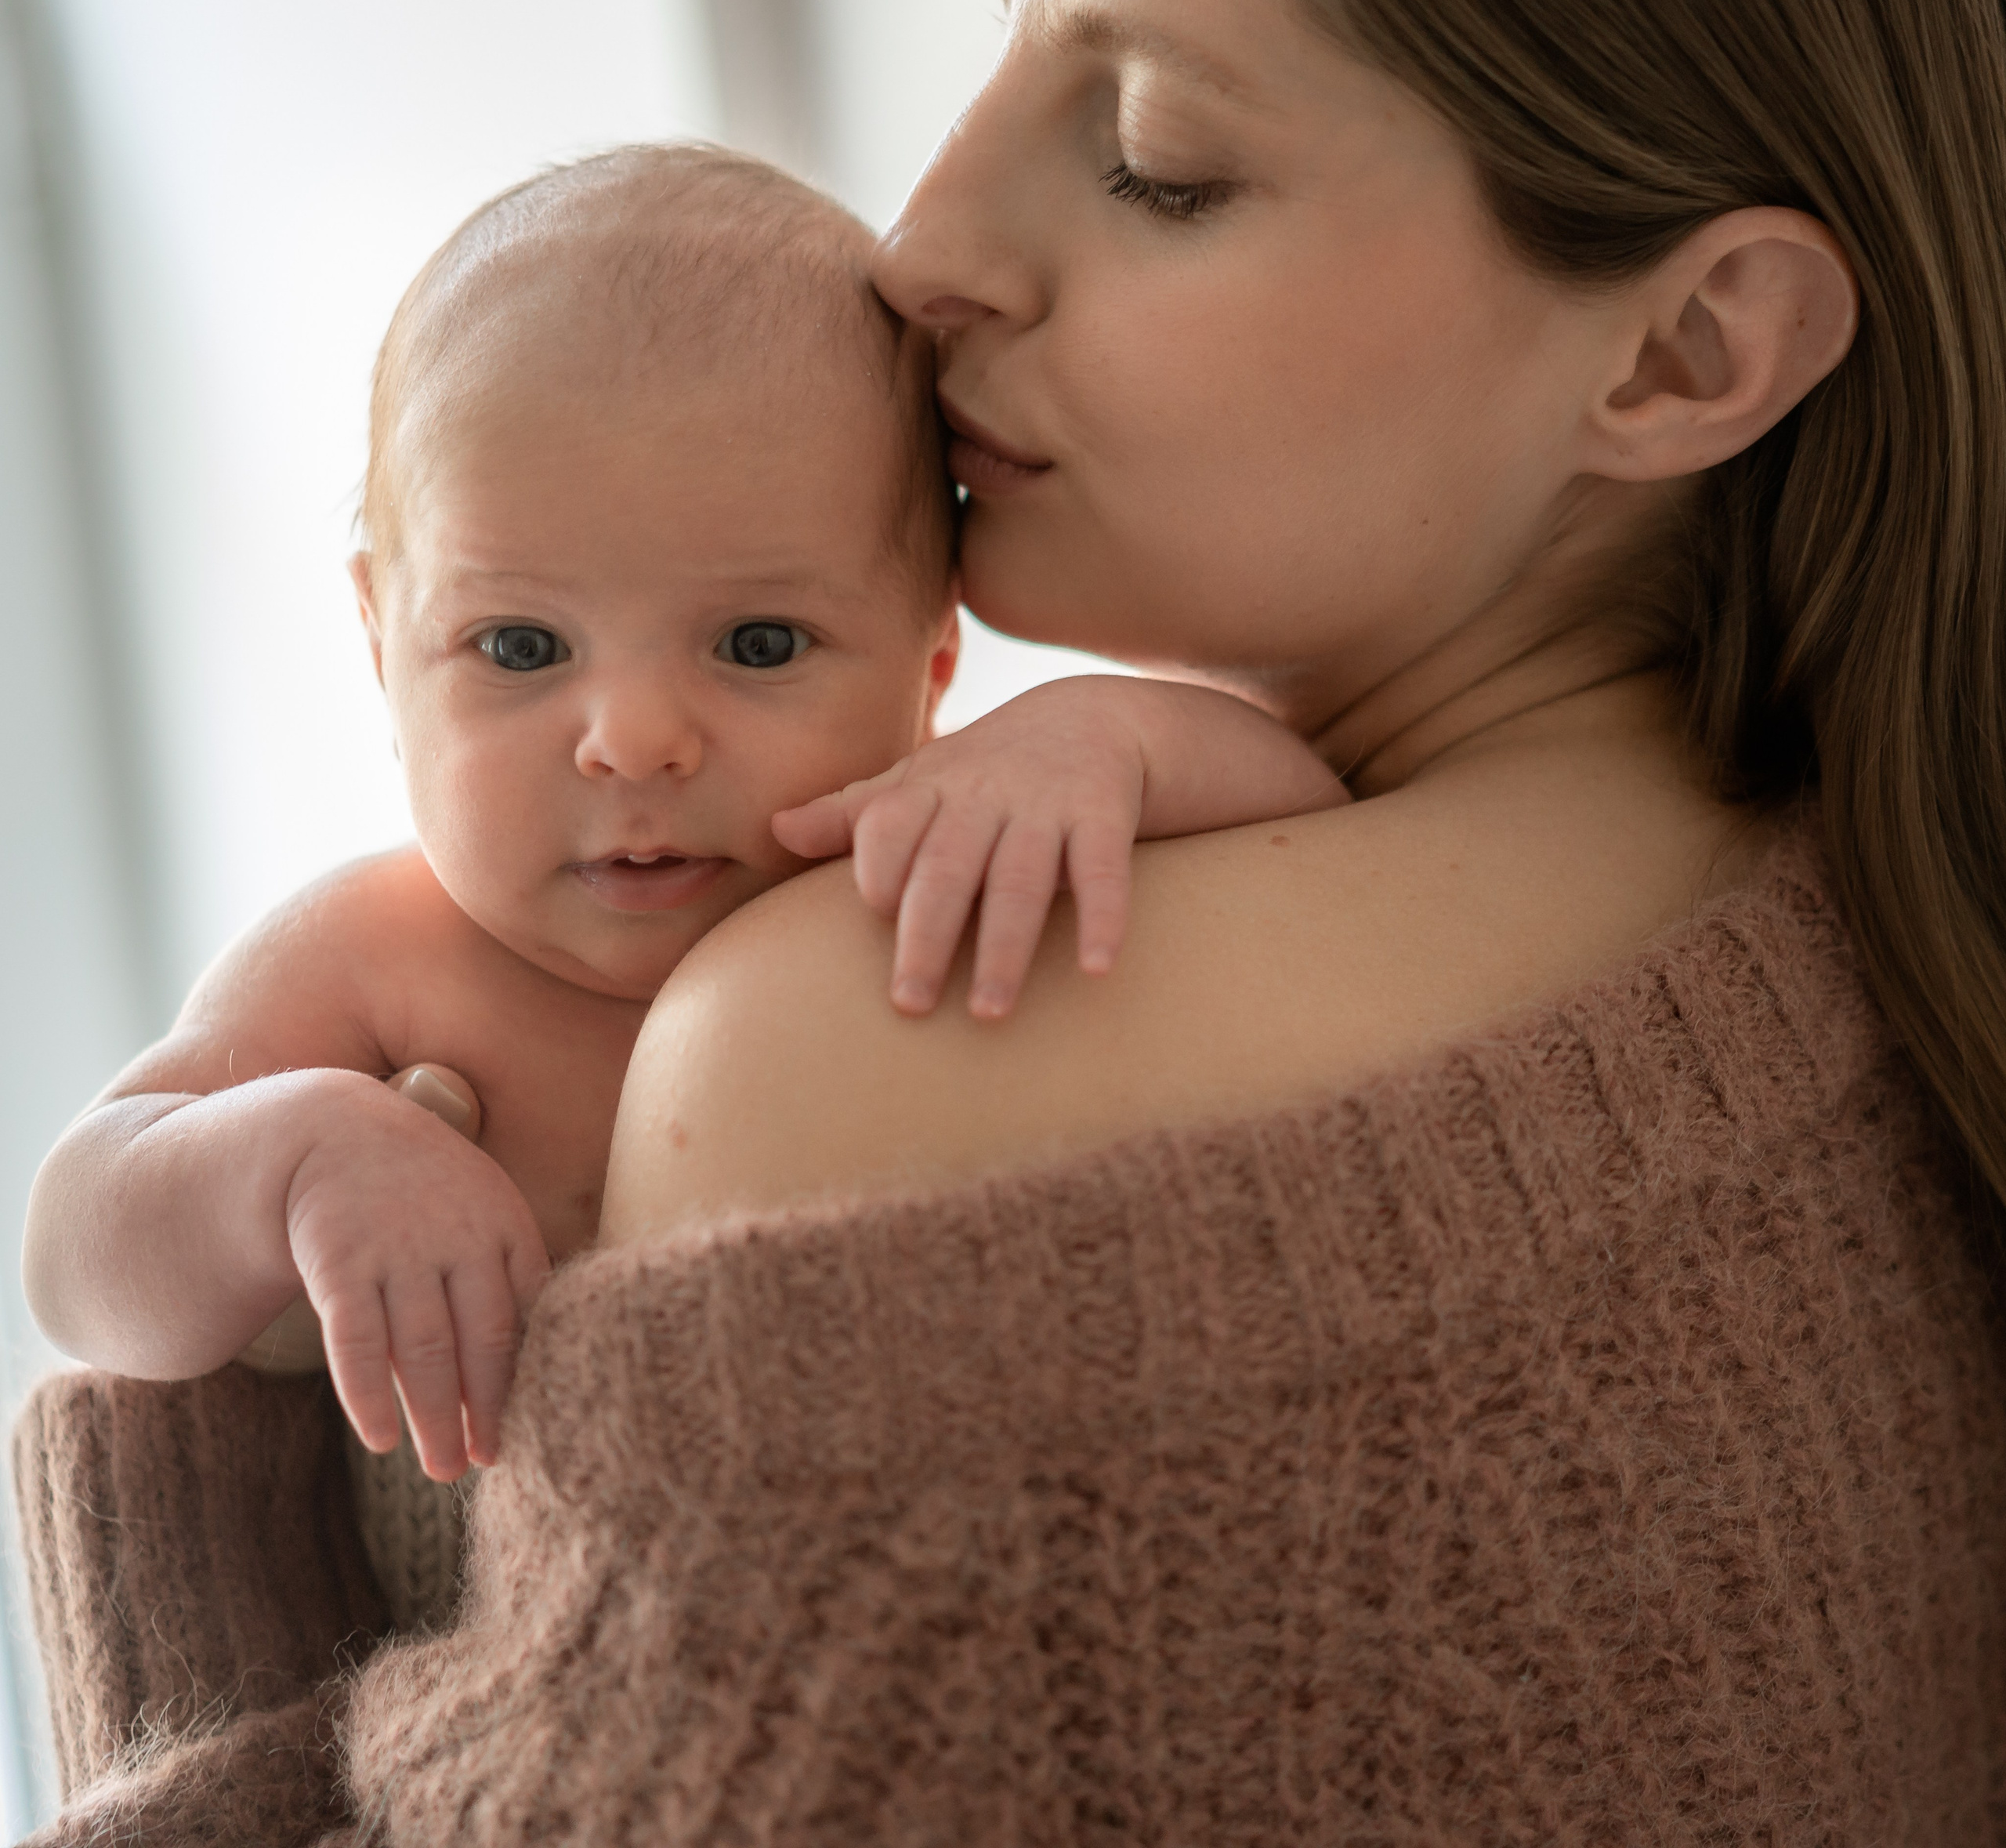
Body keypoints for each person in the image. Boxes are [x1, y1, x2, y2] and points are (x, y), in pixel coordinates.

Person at [330, 0, 2006, 1836]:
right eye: (1002, 48)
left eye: (1152, 161)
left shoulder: (872, 1017)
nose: (917, 245)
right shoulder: (1885, 942)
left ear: (1681, 351)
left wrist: (180, 1438)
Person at [19, 143, 1341, 1499]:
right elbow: (70, 1255)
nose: (636, 740)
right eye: (522, 647)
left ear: (934, 655)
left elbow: (1315, 832)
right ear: (381, 648)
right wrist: (292, 1161)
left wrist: (1110, 740)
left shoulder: (942, 843)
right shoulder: (379, 961)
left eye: (759, 643)